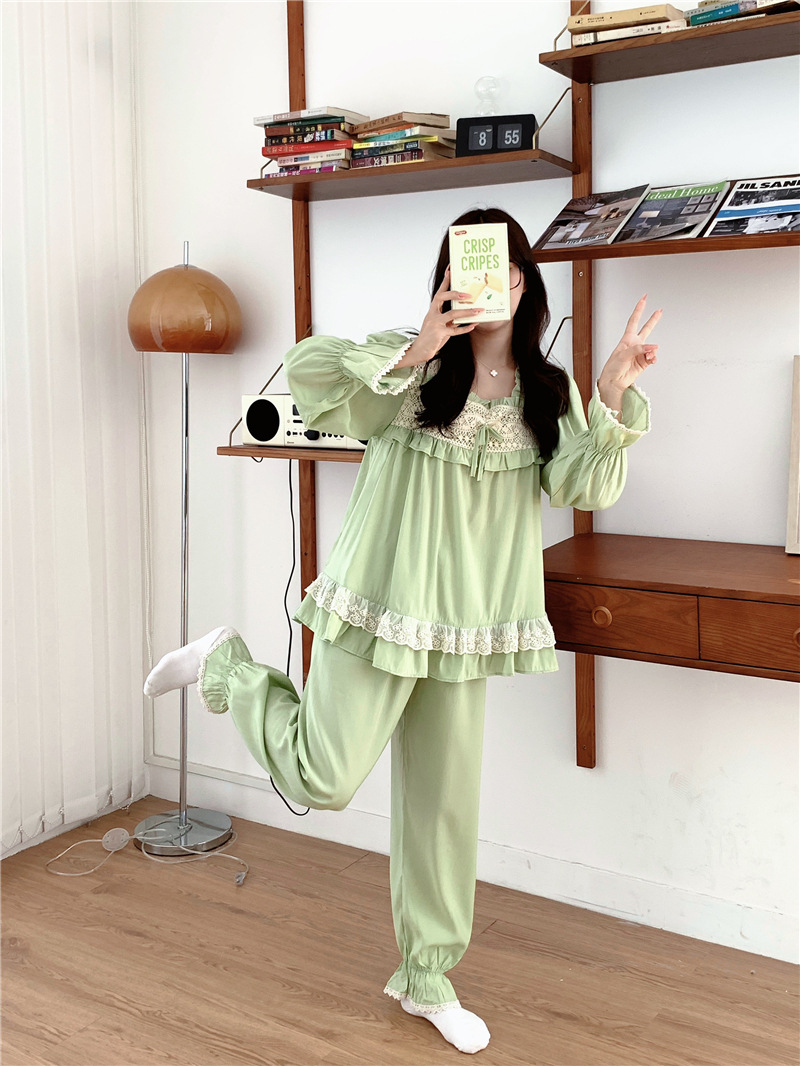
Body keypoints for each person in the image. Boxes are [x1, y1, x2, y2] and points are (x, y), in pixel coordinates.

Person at [144, 206, 661, 1055]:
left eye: (504, 269)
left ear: (525, 285)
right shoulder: (411, 366)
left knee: (442, 812)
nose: (488, 284)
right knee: (324, 779)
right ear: (446, 281)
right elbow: (311, 377)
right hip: (380, 603)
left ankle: (427, 978)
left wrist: (610, 392)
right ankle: (228, 666)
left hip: (464, 627)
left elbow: (585, 487)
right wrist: (419, 346)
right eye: (467, 267)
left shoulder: (546, 392)